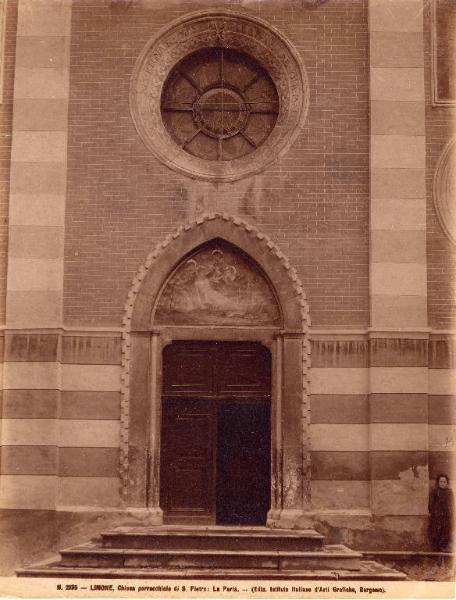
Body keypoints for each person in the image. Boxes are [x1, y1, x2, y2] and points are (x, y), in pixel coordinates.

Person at [428, 474, 454, 554]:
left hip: (446, 516)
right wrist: (434, 512)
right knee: (435, 532)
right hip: (436, 516)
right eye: (441, 481)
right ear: (438, 482)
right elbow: (430, 504)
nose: (442, 483)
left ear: (447, 483)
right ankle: (436, 551)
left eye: (444, 482)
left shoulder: (449, 492)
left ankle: (443, 549)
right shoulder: (434, 491)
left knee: (445, 532)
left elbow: (452, 504)